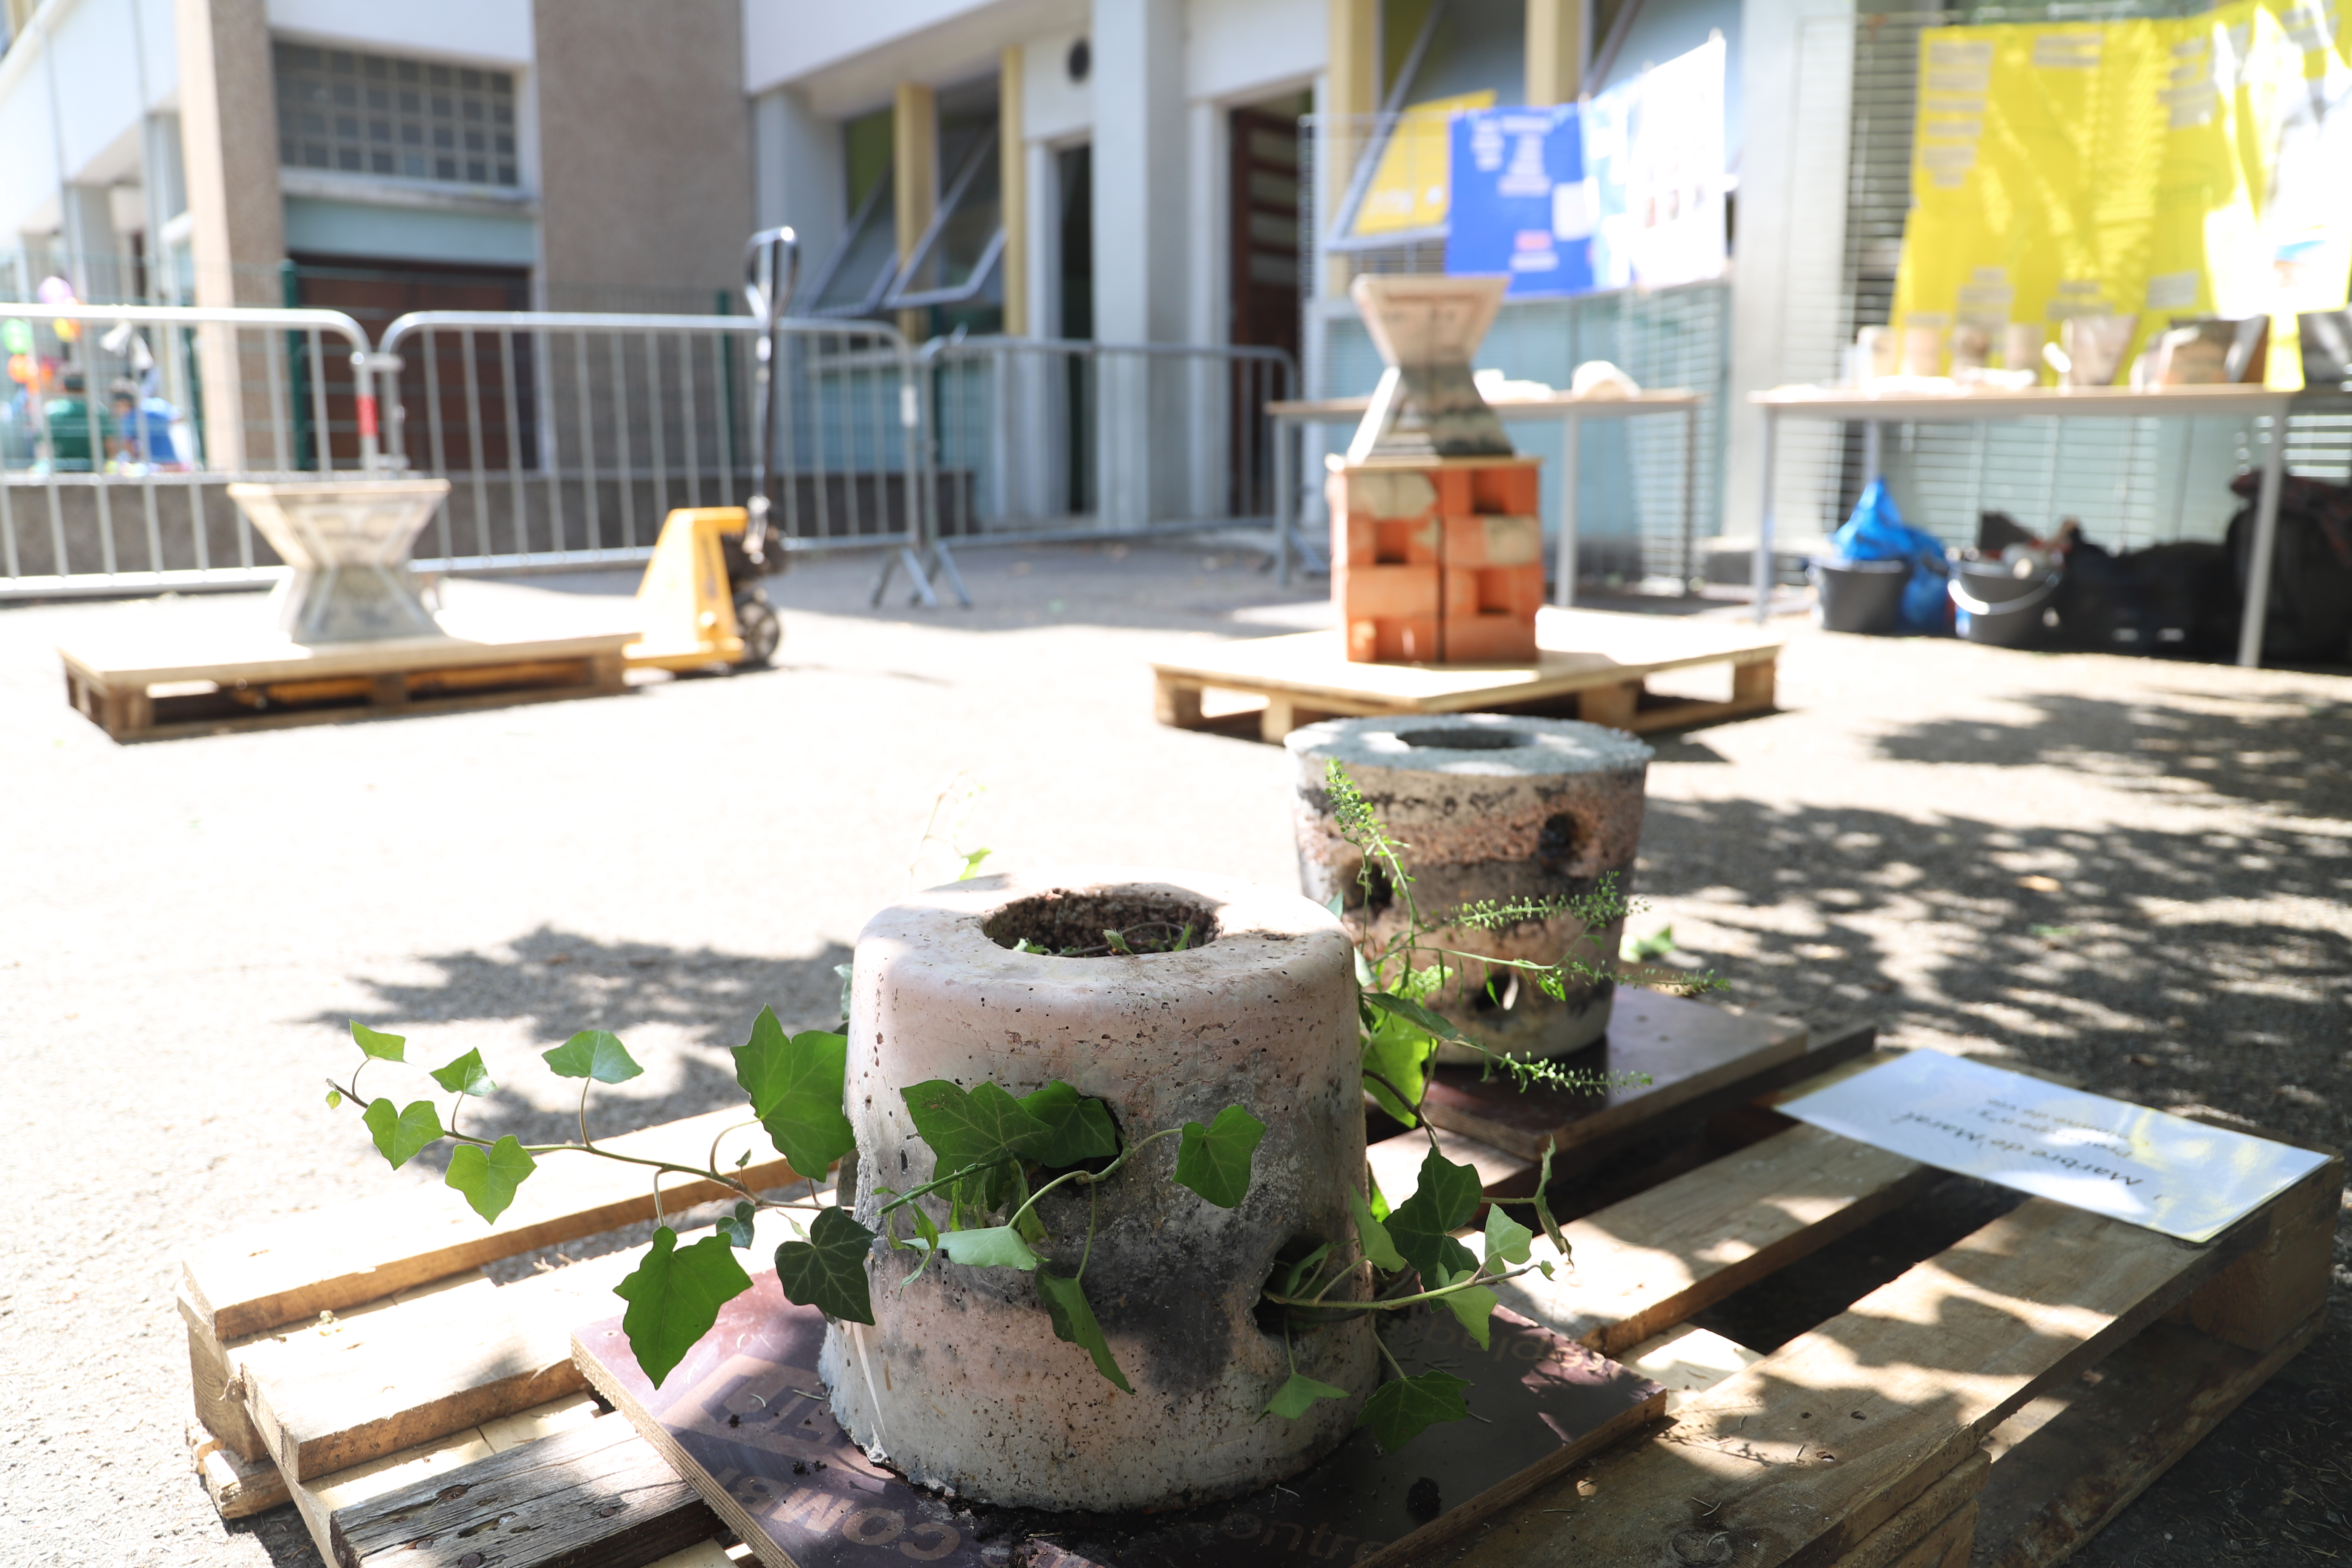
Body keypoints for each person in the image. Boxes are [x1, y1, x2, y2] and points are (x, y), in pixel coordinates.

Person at [44, 370, 107, 472]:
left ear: (63, 386)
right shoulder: (99, 411)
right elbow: (110, 445)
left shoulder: (53, 411)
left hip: (62, 471)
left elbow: (45, 446)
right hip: (95, 470)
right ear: (85, 387)